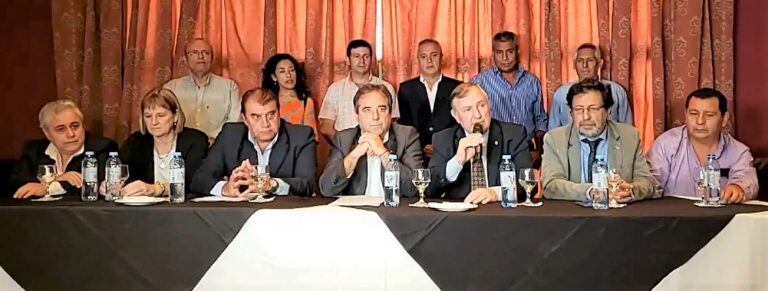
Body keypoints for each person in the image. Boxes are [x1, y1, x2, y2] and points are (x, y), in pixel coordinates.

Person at [541, 78, 656, 202]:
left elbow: (647, 183)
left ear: (608, 111)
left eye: (593, 109)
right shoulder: (555, 139)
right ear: (571, 113)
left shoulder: (629, 136)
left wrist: (630, 190)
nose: (586, 117)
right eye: (579, 110)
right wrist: (591, 192)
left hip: (617, 216)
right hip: (571, 217)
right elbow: (550, 185)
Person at [191, 88, 316, 197]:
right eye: (256, 117)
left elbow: (307, 185)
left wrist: (271, 184)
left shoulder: (301, 136)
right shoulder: (230, 135)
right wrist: (225, 189)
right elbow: (200, 179)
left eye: (271, 115)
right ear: (244, 119)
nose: (266, 124)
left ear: (279, 113)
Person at [648, 88, 758, 203]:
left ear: (724, 119)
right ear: (685, 115)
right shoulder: (666, 144)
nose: (700, 121)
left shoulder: (739, 152)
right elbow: (649, 183)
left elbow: (746, 181)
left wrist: (737, 188)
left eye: (709, 115)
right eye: (693, 114)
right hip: (674, 217)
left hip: (719, 218)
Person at [428, 83, 533, 204]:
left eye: (481, 105)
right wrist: (457, 161)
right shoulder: (443, 139)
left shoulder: (514, 134)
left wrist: (495, 193)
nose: (477, 115)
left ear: (490, 106)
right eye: (468, 109)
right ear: (456, 116)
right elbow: (429, 190)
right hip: (459, 218)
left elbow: (527, 185)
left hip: (501, 214)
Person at [319, 84, 423, 197]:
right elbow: (327, 189)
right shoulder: (343, 139)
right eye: (367, 110)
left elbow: (415, 189)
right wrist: (354, 155)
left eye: (382, 109)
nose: (375, 116)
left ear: (390, 114)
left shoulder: (406, 136)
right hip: (357, 211)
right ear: (357, 116)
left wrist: (383, 153)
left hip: (394, 212)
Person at [10, 100, 118, 199]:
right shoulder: (35, 150)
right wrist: (57, 178)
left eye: (75, 126)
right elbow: (14, 182)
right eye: (60, 129)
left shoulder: (102, 147)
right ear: (47, 133)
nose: (71, 134)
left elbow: (93, 184)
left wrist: (48, 188)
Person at [470, 31, 547, 163]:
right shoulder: (480, 82)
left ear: (517, 51)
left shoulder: (532, 81)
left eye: (509, 52)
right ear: (493, 53)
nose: (505, 58)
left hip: (525, 148)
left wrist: (539, 151)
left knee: (525, 183)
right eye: (499, 53)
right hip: (493, 148)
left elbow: (540, 119)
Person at [118, 88, 209, 197]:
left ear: (175, 116)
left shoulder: (195, 140)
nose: (154, 122)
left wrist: (156, 189)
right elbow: (122, 175)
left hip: (185, 209)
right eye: (148, 116)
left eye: (160, 115)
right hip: (143, 210)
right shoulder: (135, 141)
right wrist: (110, 185)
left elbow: (195, 183)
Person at [318, 39, 399, 141]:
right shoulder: (335, 89)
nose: (362, 61)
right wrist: (344, 145)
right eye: (357, 56)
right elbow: (326, 127)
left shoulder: (386, 87)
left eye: (366, 56)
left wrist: (377, 145)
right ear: (348, 60)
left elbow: (392, 124)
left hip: (379, 149)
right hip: (344, 151)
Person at [163, 38, 241, 143]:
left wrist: (213, 139)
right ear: (185, 60)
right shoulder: (171, 88)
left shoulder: (230, 87)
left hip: (218, 146)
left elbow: (234, 122)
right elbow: (165, 121)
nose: (200, 57)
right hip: (181, 146)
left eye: (206, 53)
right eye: (194, 53)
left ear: (212, 59)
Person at [397, 39, 462, 160]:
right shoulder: (406, 89)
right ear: (418, 60)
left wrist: (441, 146)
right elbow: (404, 126)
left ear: (441, 57)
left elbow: (460, 125)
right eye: (423, 56)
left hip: (449, 154)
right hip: (415, 155)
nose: (429, 61)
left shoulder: (457, 87)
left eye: (434, 55)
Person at [548, 43, 633, 129]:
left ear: (600, 64)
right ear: (574, 64)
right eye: (580, 61)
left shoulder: (616, 91)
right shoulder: (561, 94)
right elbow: (553, 129)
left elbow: (627, 128)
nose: (585, 65)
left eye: (590, 60)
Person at [262, 53, 318, 137]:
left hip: (298, 147)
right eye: (282, 71)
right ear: (274, 77)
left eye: (292, 70)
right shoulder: (267, 101)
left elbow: (311, 134)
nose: (288, 75)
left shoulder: (306, 102)